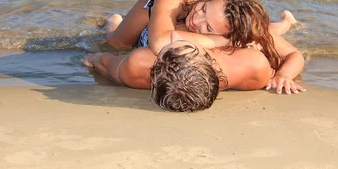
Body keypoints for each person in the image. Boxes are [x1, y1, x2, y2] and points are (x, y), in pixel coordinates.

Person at [83, 12, 306, 112]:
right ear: (207, 57)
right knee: (262, 32)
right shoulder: (252, 66)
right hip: (218, 35)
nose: (171, 36)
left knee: (117, 37)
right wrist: (283, 75)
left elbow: (105, 62)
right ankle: (285, 22)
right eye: (184, 45)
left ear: (156, 63)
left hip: (152, 32)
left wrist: (91, 58)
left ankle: (113, 20)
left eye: (167, 49)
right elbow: (294, 56)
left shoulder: (138, 65)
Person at [104, 0, 283, 71]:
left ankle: (285, 23)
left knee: (266, 32)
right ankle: (113, 20)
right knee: (117, 43)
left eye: (209, 28)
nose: (195, 21)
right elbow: (159, 44)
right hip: (157, 4)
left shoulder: (228, 17)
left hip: (215, 13)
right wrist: (225, 41)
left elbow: (290, 55)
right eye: (203, 10)